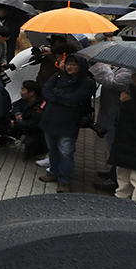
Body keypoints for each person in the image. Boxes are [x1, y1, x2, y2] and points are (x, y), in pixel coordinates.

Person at [39, 54, 96, 189]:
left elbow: (75, 99)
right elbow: (46, 90)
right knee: (52, 148)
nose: (69, 67)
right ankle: (54, 172)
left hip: (69, 121)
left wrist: (57, 93)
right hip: (50, 117)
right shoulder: (58, 76)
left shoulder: (88, 82)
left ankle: (65, 180)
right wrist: (62, 99)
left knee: (66, 152)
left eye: (73, 64)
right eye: (68, 63)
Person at [89, 62, 131, 190]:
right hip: (113, 110)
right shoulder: (127, 67)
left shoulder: (132, 71)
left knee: (118, 144)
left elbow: (113, 82)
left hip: (121, 113)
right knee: (114, 143)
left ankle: (115, 179)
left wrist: (103, 68)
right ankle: (113, 172)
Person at [110, 72, 136, 202]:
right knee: (122, 179)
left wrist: (129, 102)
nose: (133, 76)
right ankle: (118, 205)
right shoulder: (131, 89)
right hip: (126, 141)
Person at [9, 80, 48, 160]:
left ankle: (41, 151)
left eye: (23, 90)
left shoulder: (41, 106)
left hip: (38, 132)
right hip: (25, 125)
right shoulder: (25, 99)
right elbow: (15, 106)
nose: (20, 92)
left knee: (31, 143)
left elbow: (34, 124)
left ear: (31, 93)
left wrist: (15, 124)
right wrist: (17, 114)